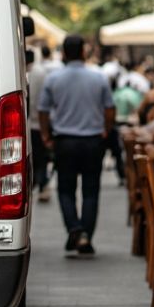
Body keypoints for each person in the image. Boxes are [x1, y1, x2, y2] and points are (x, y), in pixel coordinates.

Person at [38, 33, 115, 255]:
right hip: (92, 141)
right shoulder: (99, 77)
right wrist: (106, 130)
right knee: (91, 190)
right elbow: (110, 108)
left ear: (63, 53)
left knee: (66, 189)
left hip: (65, 141)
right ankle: (85, 235)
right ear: (83, 52)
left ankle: (74, 228)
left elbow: (42, 110)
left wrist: (46, 135)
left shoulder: (53, 79)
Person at [26, 47, 55, 203]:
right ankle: (42, 184)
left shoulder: (33, 74)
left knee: (39, 157)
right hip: (40, 122)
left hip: (35, 123)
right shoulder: (40, 72)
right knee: (41, 157)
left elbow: (33, 102)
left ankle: (42, 184)